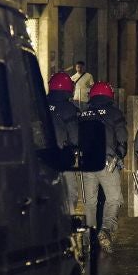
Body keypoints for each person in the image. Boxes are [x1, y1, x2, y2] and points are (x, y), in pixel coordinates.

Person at [79, 81, 127, 253]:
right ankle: (105, 230)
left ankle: (87, 239)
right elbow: (122, 137)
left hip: (86, 163)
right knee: (114, 199)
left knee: (90, 202)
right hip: (106, 162)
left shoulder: (84, 113)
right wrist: (120, 155)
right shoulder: (114, 113)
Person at [47, 72, 81, 214]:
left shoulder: (39, 103)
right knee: (70, 193)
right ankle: (66, 225)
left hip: (42, 157)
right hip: (63, 156)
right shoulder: (69, 109)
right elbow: (75, 135)